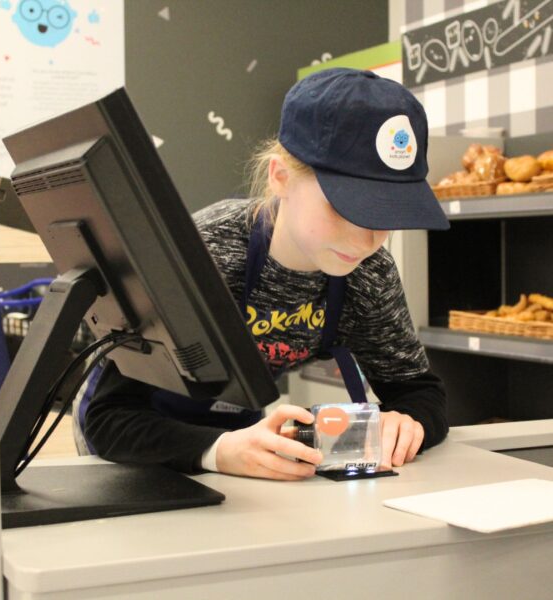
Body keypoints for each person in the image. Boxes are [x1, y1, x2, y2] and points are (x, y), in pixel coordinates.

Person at [73, 67, 450, 481]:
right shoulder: (204, 255)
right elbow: (109, 417)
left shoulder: (368, 274)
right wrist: (216, 450)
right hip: (133, 438)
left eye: (388, 214)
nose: (366, 240)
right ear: (280, 177)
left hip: (237, 432)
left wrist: (405, 422)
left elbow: (418, 391)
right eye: (346, 208)